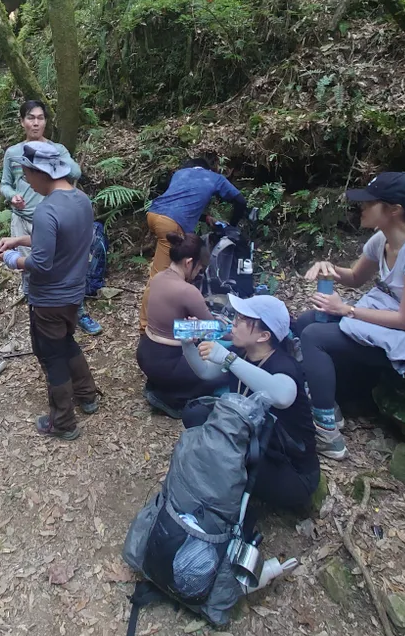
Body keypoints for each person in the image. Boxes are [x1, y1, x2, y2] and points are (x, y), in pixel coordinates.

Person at [299, 172, 405, 460]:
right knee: (306, 322)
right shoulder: (382, 240)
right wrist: (329, 268)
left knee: (315, 338)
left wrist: (347, 310)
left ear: (394, 210)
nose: (361, 207)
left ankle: (327, 432)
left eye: (369, 202)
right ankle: (323, 392)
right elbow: (353, 277)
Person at [0, 142, 99, 440]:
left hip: (48, 300)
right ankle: (87, 394)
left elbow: (41, 264)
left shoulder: (46, 210)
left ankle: (63, 421)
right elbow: (62, 240)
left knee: (51, 355)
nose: (27, 182)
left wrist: (12, 260)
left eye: (27, 175)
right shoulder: (81, 200)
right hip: (73, 294)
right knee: (66, 342)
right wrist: (18, 241)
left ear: (39, 172)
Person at [182, 294, 320, 511]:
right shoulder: (243, 352)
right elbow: (206, 373)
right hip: (251, 438)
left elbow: (282, 396)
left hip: (289, 468)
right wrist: (187, 345)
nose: (234, 323)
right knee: (195, 415)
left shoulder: (284, 366)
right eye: (236, 316)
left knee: (221, 460)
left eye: (242, 320)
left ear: (264, 335)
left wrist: (228, 359)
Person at [0, 99, 102, 336]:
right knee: (32, 270)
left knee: (65, 264)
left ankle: (78, 312)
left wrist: (52, 157)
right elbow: (5, 184)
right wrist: (12, 195)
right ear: (22, 121)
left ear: (46, 122)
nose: (36, 123)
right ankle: (37, 310)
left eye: (40, 118)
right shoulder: (13, 153)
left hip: (55, 217)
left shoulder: (56, 150)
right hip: (24, 219)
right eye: (30, 118)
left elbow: (75, 172)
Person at [139, 157, 247, 331]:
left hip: (154, 214)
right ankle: (145, 326)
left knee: (169, 266)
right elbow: (240, 201)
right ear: (207, 169)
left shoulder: (180, 173)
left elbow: (179, 201)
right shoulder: (214, 177)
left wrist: (205, 218)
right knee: (158, 277)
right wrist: (232, 225)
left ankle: (177, 311)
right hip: (170, 221)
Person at [136, 232, 222, 418]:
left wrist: (195, 326)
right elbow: (214, 329)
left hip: (145, 352)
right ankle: (172, 399)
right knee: (219, 373)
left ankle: (159, 385)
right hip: (169, 363)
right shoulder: (187, 291)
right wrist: (233, 330)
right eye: (199, 269)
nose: (198, 274)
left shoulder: (158, 278)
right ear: (189, 262)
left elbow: (173, 326)